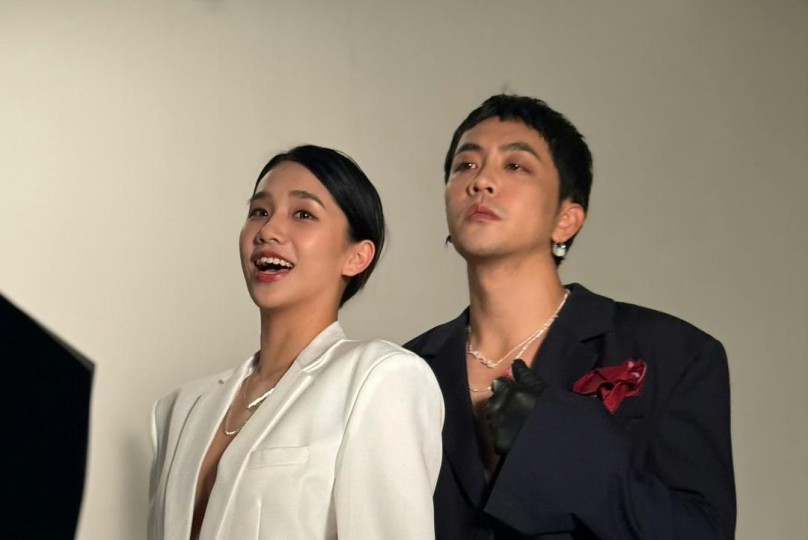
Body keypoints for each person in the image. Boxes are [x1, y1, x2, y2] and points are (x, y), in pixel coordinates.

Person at [404, 95, 735, 539]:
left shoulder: (673, 353)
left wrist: (552, 438)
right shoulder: (404, 370)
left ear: (566, 219)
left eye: (515, 166)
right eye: (465, 166)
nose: (481, 181)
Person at [149, 145, 444, 540]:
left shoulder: (378, 379)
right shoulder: (182, 407)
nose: (268, 231)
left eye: (303, 214)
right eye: (259, 211)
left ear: (357, 257)